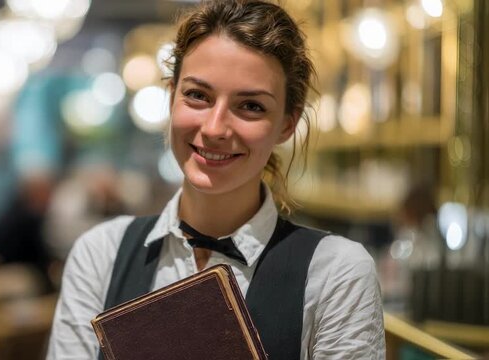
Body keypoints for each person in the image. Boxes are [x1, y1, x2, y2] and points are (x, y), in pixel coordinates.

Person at [47, 1, 385, 359]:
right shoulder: (102, 254)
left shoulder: (335, 273)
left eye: (251, 105)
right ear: (171, 95)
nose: (214, 128)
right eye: (197, 95)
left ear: (287, 123)